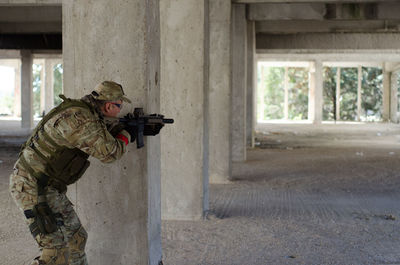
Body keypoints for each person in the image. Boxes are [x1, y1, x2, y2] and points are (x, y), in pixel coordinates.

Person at [9, 81, 136, 265]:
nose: (120, 110)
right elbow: (110, 154)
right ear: (109, 106)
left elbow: (95, 136)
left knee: (76, 239)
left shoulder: (84, 113)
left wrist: (118, 129)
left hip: (47, 186)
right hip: (33, 186)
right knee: (55, 251)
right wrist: (128, 133)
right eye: (119, 106)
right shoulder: (80, 119)